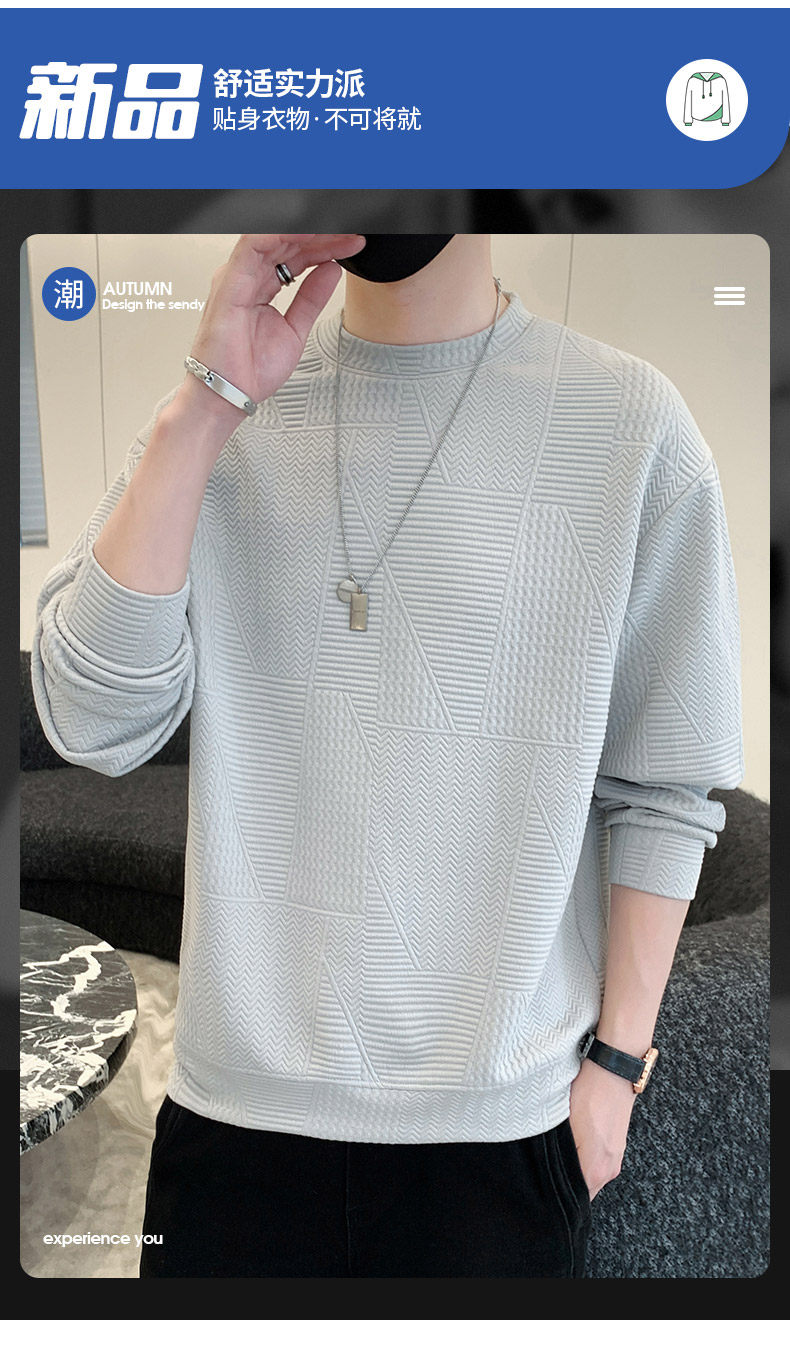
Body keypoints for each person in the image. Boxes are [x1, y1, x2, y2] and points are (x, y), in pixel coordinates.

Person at [31, 233, 745, 1278]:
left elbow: (666, 788)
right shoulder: (223, 407)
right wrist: (204, 409)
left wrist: (616, 1068)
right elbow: (90, 719)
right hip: (233, 1120)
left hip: (501, 1137)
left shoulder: (631, 424)